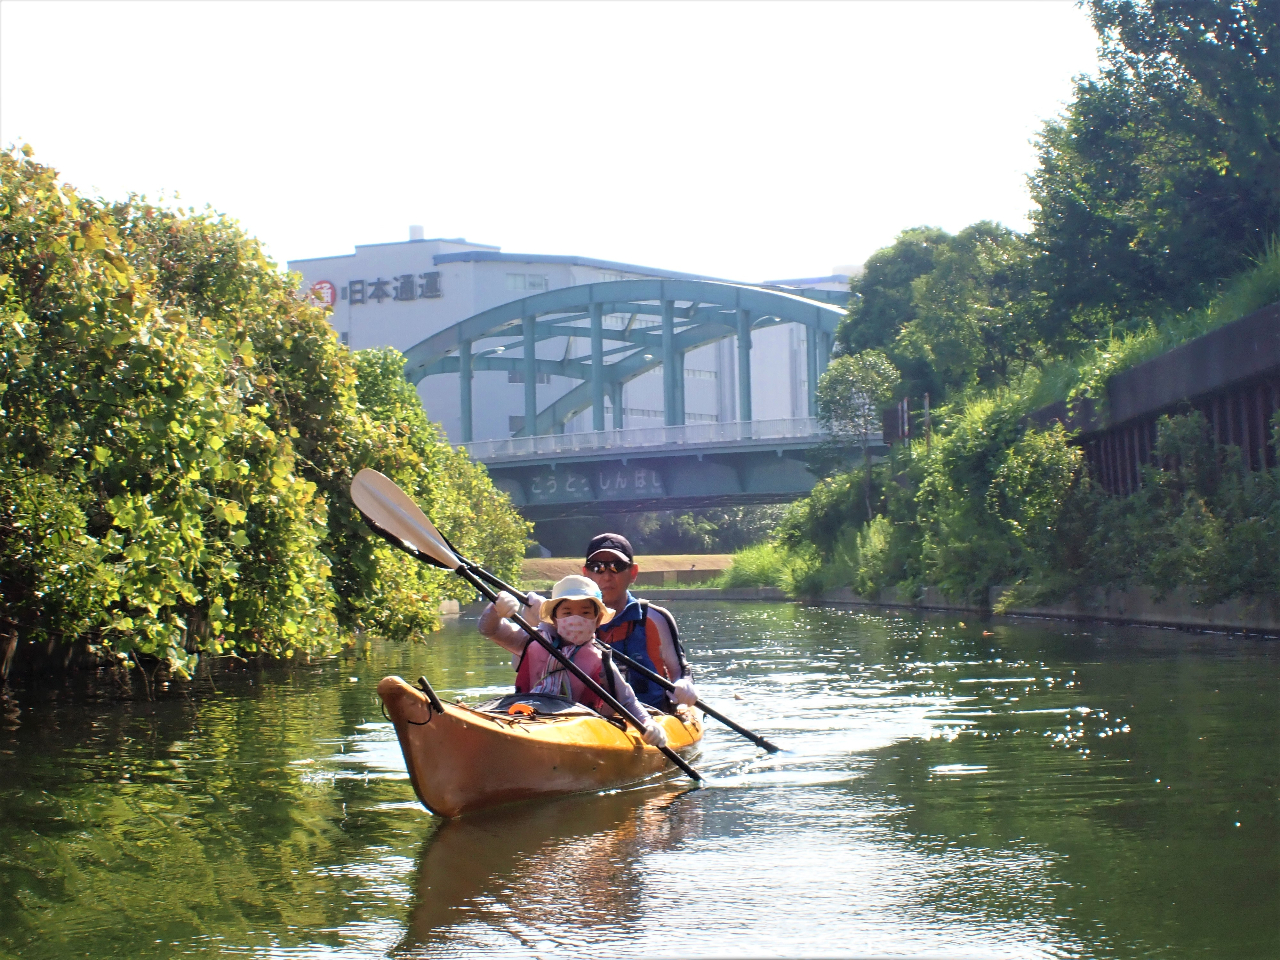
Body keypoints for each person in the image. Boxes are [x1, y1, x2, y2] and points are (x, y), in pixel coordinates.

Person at [477, 574, 669, 747]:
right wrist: (496, 609)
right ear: (555, 618)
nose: (576, 619)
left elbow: (627, 701)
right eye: (567, 613)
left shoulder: (600, 660)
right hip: (524, 714)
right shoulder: (531, 640)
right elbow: (489, 629)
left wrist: (647, 724)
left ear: (597, 619)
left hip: (573, 728)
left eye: (585, 613)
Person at [581, 533, 699, 713]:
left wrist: (684, 684)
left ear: (633, 573)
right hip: (591, 719)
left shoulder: (656, 618)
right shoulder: (567, 621)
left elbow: (680, 671)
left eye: (616, 567)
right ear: (585, 574)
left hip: (653, 717)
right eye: (597, 567)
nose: (606, 576)